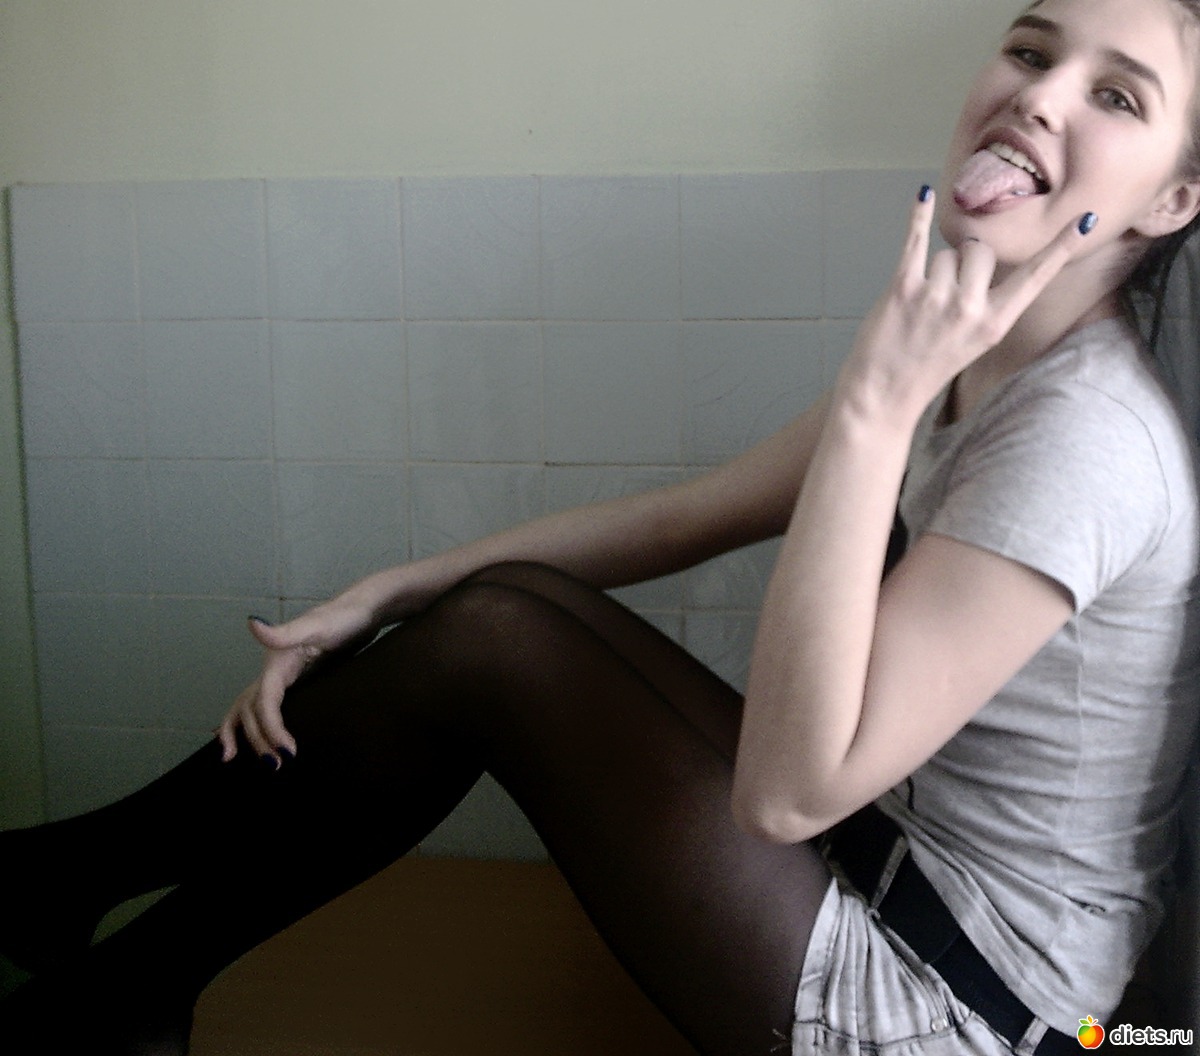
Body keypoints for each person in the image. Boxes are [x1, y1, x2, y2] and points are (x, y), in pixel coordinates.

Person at [4, 0, 1200, 1052]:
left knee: (502, 646)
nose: (1041, 96)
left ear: (1173, 198)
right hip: (874, 855)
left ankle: (84, 925)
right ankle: (98, 939)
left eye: (1116, 96)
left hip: (956, 1004)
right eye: (1030, 51)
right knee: (499, 614)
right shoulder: (966, 351)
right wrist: (389, 592)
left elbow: (786, 798)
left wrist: (877, 409)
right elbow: (690, 516)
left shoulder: (1081, 441)